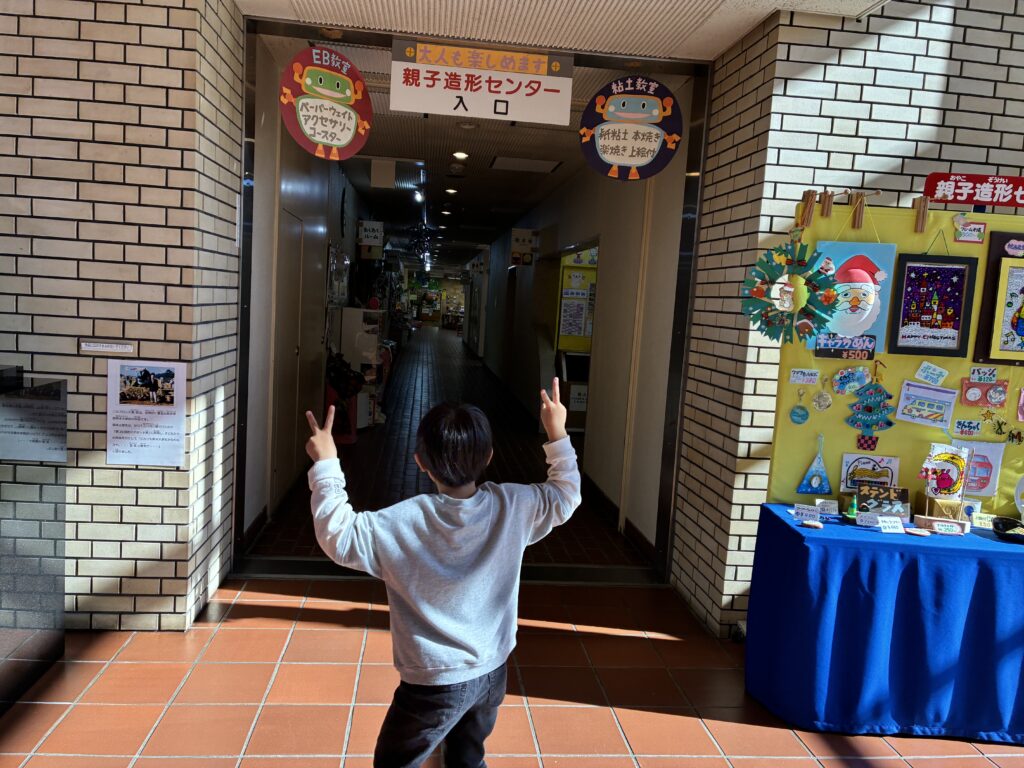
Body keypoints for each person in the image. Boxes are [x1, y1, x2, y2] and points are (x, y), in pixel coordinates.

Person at [304, 379, 581, 768]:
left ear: (420, 461)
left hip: (432, 683)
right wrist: (557, 432)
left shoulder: (400, 523)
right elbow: (566, 494)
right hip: (492, 671)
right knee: (467, 756)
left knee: (395, 761)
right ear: (488, 456)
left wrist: (327, 464)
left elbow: (338, 535)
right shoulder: (513, 506)